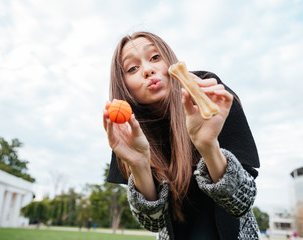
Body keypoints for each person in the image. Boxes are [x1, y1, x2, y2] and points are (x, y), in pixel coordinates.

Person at [103, 31, 261, 240]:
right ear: (124, 87)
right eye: (132, 68)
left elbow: (242, 202)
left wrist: (208, 146)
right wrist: (139, 163)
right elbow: (153, 222)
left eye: (155, 57)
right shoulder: (128, 129)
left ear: (170, 60)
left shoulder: (210, 97)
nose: (148, 70)